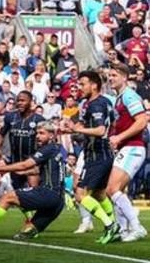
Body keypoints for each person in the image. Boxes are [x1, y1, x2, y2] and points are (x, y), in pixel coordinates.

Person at [0, 121, 65, 240]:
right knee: (25, 234)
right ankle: (29, 226)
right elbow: (41, 171)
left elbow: (25, 164)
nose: (37, 136)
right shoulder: (57, 149)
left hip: (48, 193)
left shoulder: (47, 149)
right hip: (58, 202)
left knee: (8, 197)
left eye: (42, 133)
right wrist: (24, 172)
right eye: (37, 133)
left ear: (51, 135)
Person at [61, 70, 119, 243]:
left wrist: (78, 129)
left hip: (97, 155)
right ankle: (115, 224)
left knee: (80, 194)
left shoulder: (95, 105)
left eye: (83, 83)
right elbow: (111, 124)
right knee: (100, 194)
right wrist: (72, 127)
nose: (80, 87)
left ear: (94, 85)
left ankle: (110, 226)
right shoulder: (103, 102)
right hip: (103, 153)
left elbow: (100, 130)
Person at [106, 64, 148, 242]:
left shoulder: (130, 96)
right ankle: (123, 230)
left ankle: (137, 227)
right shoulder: (119, 98)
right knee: (117, 190)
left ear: (124, 77)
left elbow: (141, 121)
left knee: (112, 189)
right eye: (109, 75)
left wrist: (119, 137)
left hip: (134, 147)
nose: (110, 78)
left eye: (114, 75)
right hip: (127, 147)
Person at [0, 90, 45, 229]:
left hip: (32, 162)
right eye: (18, 100)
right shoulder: (11, 117)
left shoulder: (38, 120)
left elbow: (46, 137)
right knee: (18, 193)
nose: (20, 103)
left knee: (34, 191)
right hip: (15, 162)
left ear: (30, 102)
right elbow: (1, 132)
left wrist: (42, 156)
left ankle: (34, 223)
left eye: (23, 100)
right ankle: (30, 219)